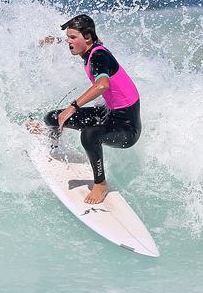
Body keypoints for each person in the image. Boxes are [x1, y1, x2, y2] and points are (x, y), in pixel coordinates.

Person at [31, 14, 142, 204]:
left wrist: (73, 107)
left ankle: (100, 184)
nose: (69, 42)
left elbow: (102, 85)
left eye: (72, 38)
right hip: (108, 114)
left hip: (126, 127)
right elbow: (91, 41)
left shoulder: (99, 56)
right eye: (68, 38)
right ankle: (53, 137)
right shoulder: (91, 49)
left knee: (89, 135)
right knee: (54, 118)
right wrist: (56, 41)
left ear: (88, 37)